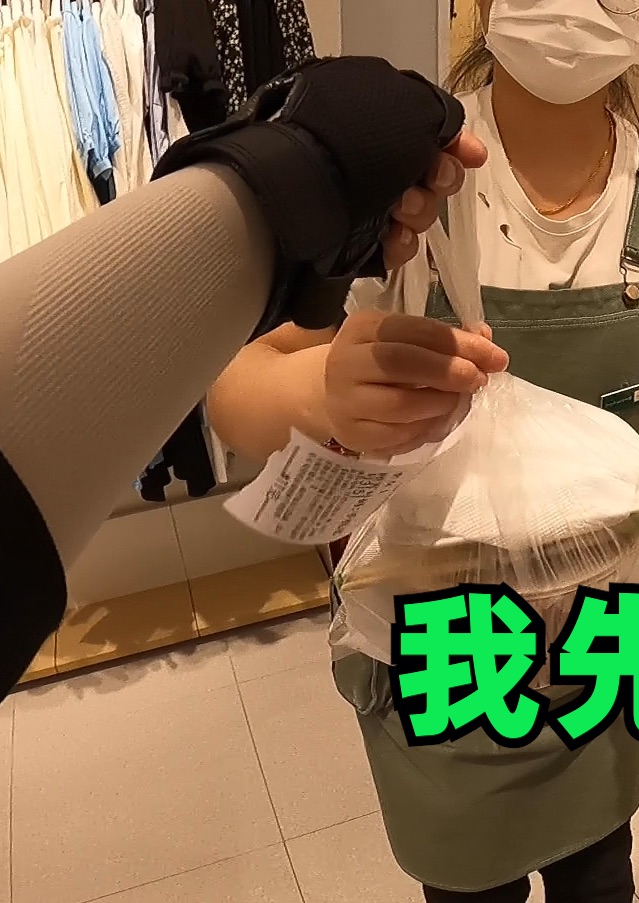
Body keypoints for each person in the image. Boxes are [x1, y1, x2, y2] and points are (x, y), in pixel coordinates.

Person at [206, 0, 639, 903]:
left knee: (601, 884)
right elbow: (234, 384)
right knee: (470, 899)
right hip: (449, 658)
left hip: (602, 651)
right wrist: (319, 390)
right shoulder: (402, 180)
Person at [0, 56, 483, 696]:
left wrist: (290, 175)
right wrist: (326, 392)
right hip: (427, 629)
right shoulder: (425, 168)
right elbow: (235, 388)